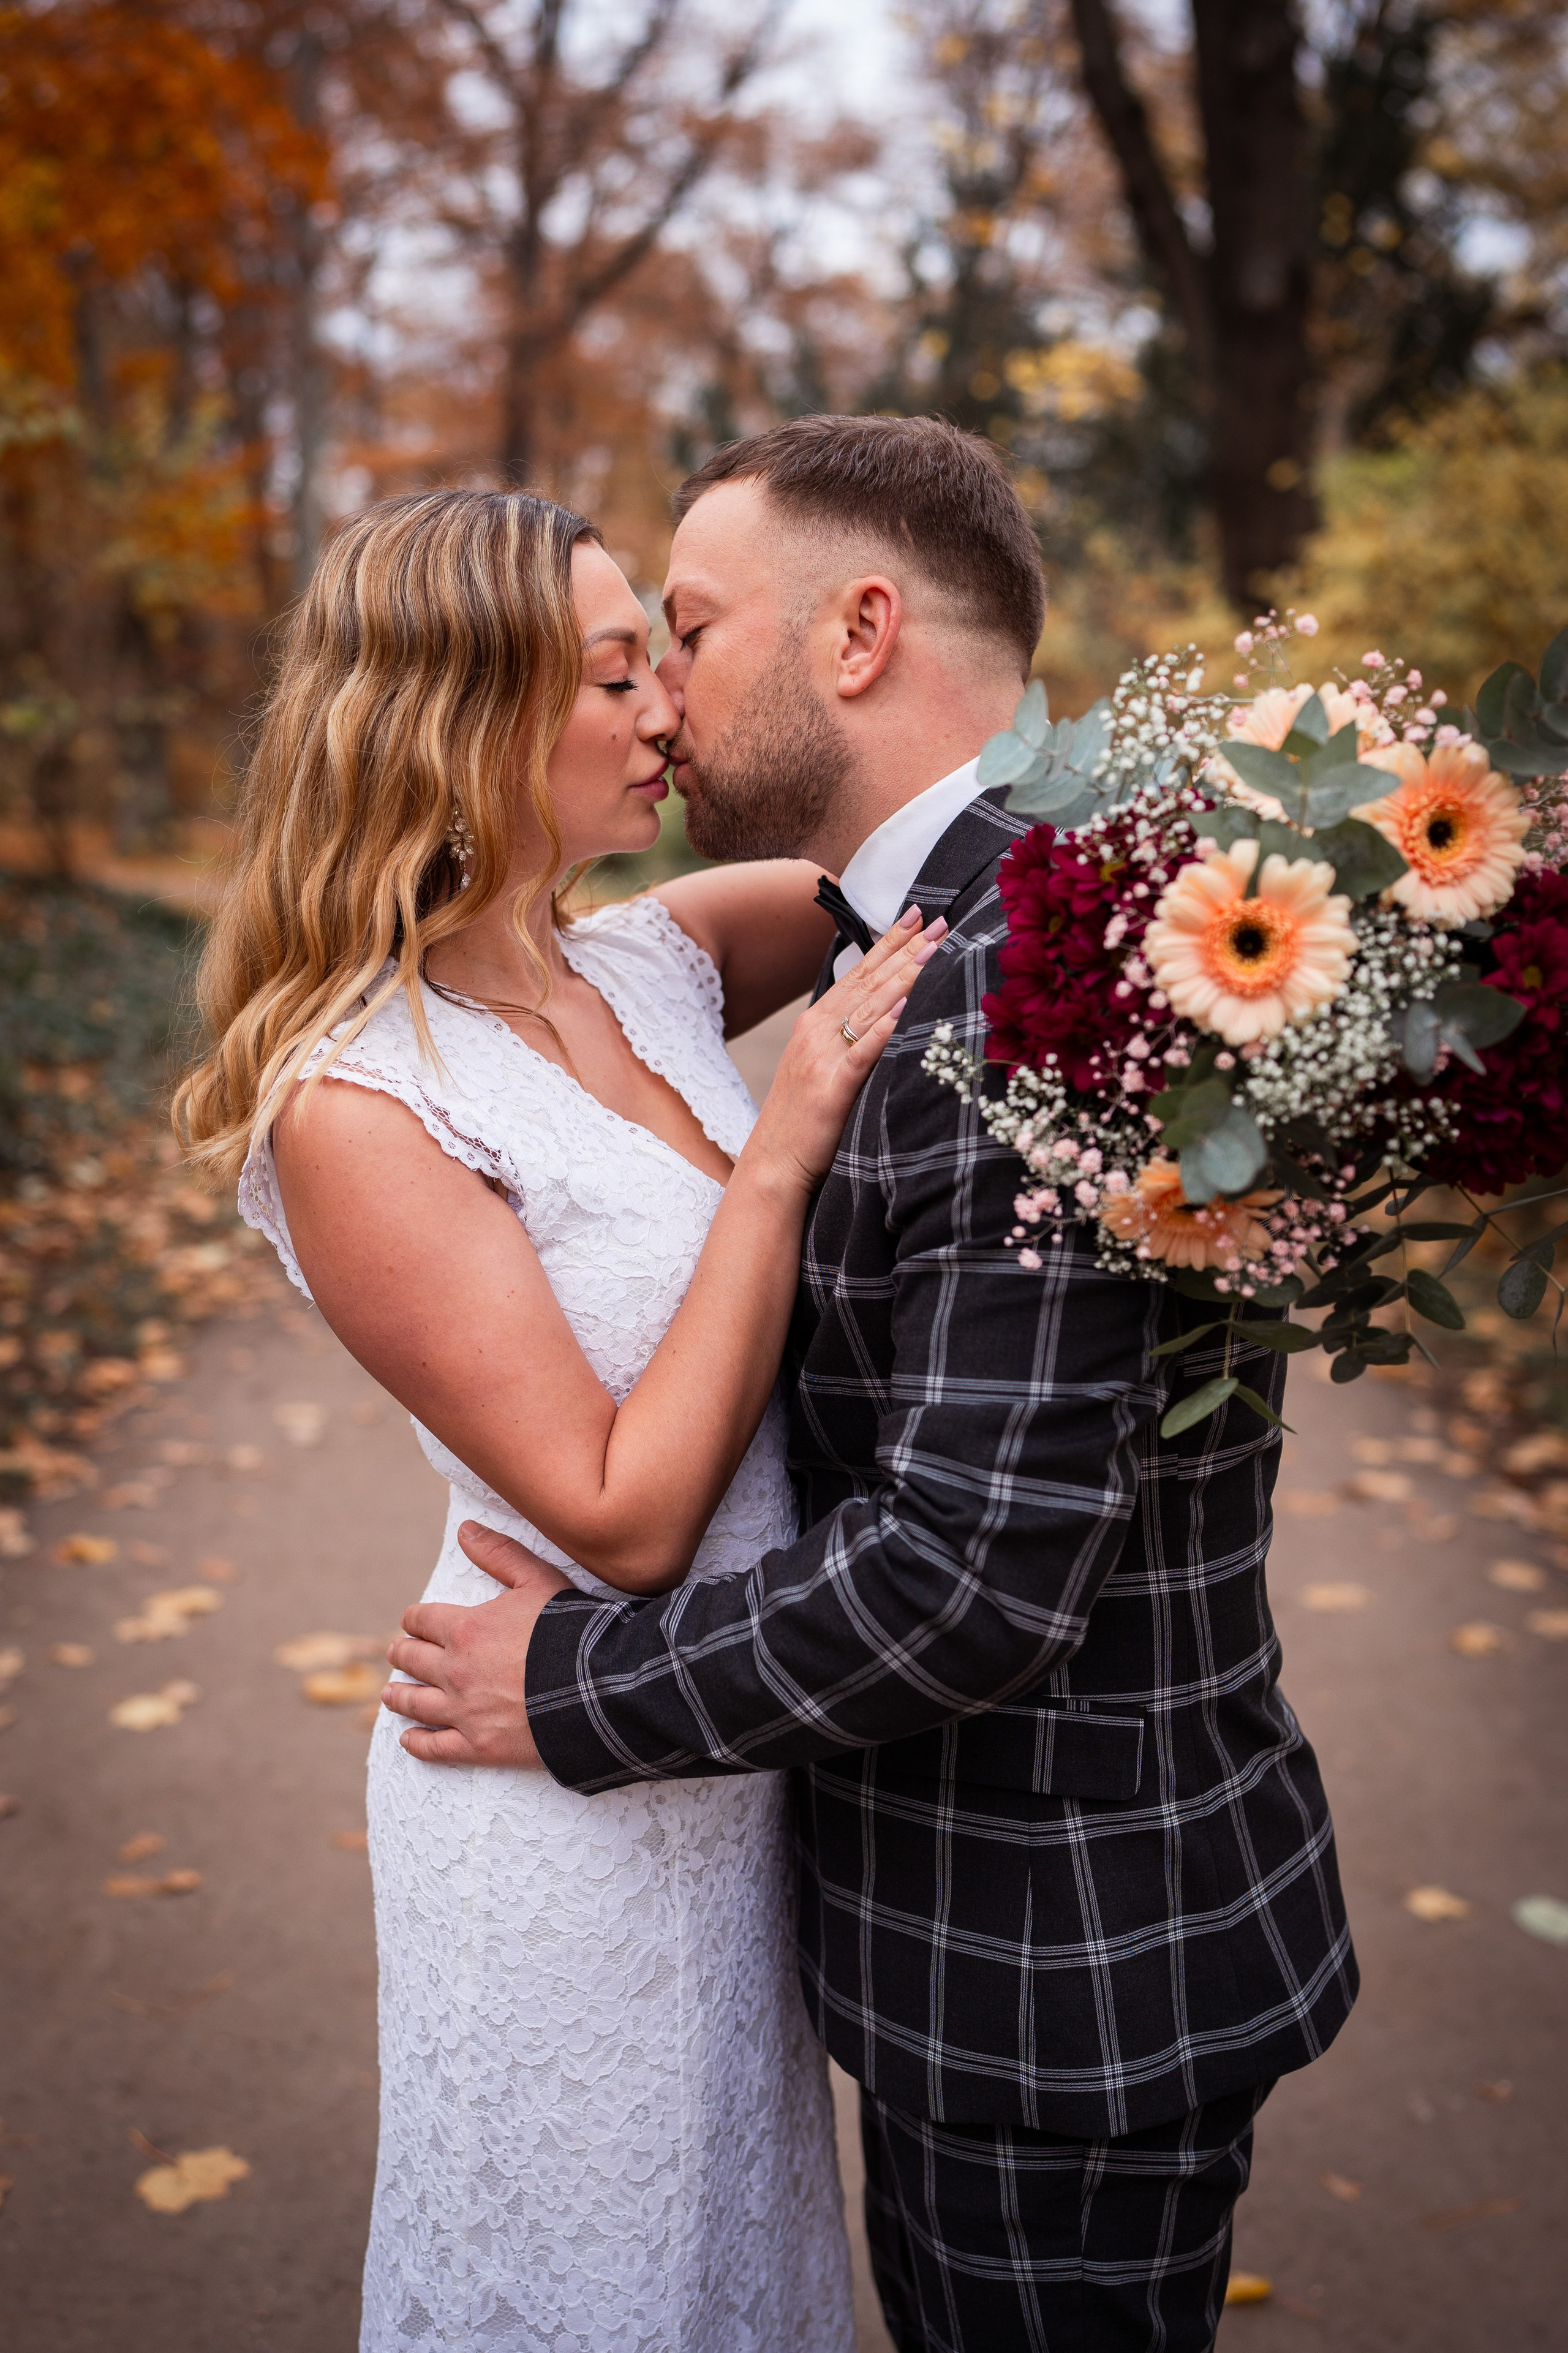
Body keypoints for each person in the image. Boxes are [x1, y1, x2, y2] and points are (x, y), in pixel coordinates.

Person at [385, 415, 1359, 2353]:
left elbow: (971, 1576)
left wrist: (572, 1682)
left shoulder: (1024, 981)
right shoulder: (971, 927)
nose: (666, 691)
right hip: (998, 1929)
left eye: (689, 626)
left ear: (856, 634)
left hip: (1057, 1964)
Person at [175, 484, 946, 2351]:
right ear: (463, 718)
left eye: (664, 658)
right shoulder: (359, 1100)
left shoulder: (654, 957)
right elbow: (622, 1516)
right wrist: (779, 1157)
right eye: (619, 673)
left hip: (733, 1757)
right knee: (599, 2288)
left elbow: (936, 841)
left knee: (738, 2273)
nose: (669, 709)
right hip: (555, 1801)